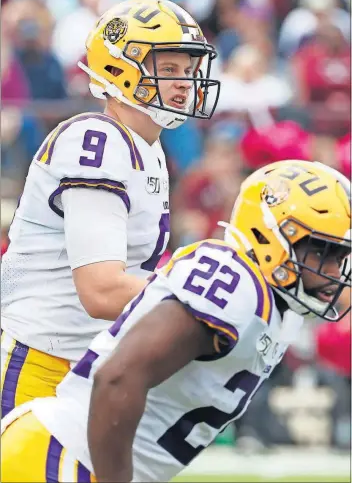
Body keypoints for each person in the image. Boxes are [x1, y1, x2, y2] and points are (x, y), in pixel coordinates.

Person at [1, 160, 350, 483]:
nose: (333, 271)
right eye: (319, 251)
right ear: (267, 235)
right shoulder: (234, 281)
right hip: (61, 457)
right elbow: (119, 377)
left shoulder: (276, 310)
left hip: (80, 460)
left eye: (339, 255)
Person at [0, 0, 220, 417]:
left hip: (86, 364)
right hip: (39, 363)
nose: (184, 83)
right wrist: (200, 298)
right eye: (168, 69)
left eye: (189, 72)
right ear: (120, 69)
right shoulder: (95, 141)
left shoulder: (147, 147)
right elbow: (101, 291)